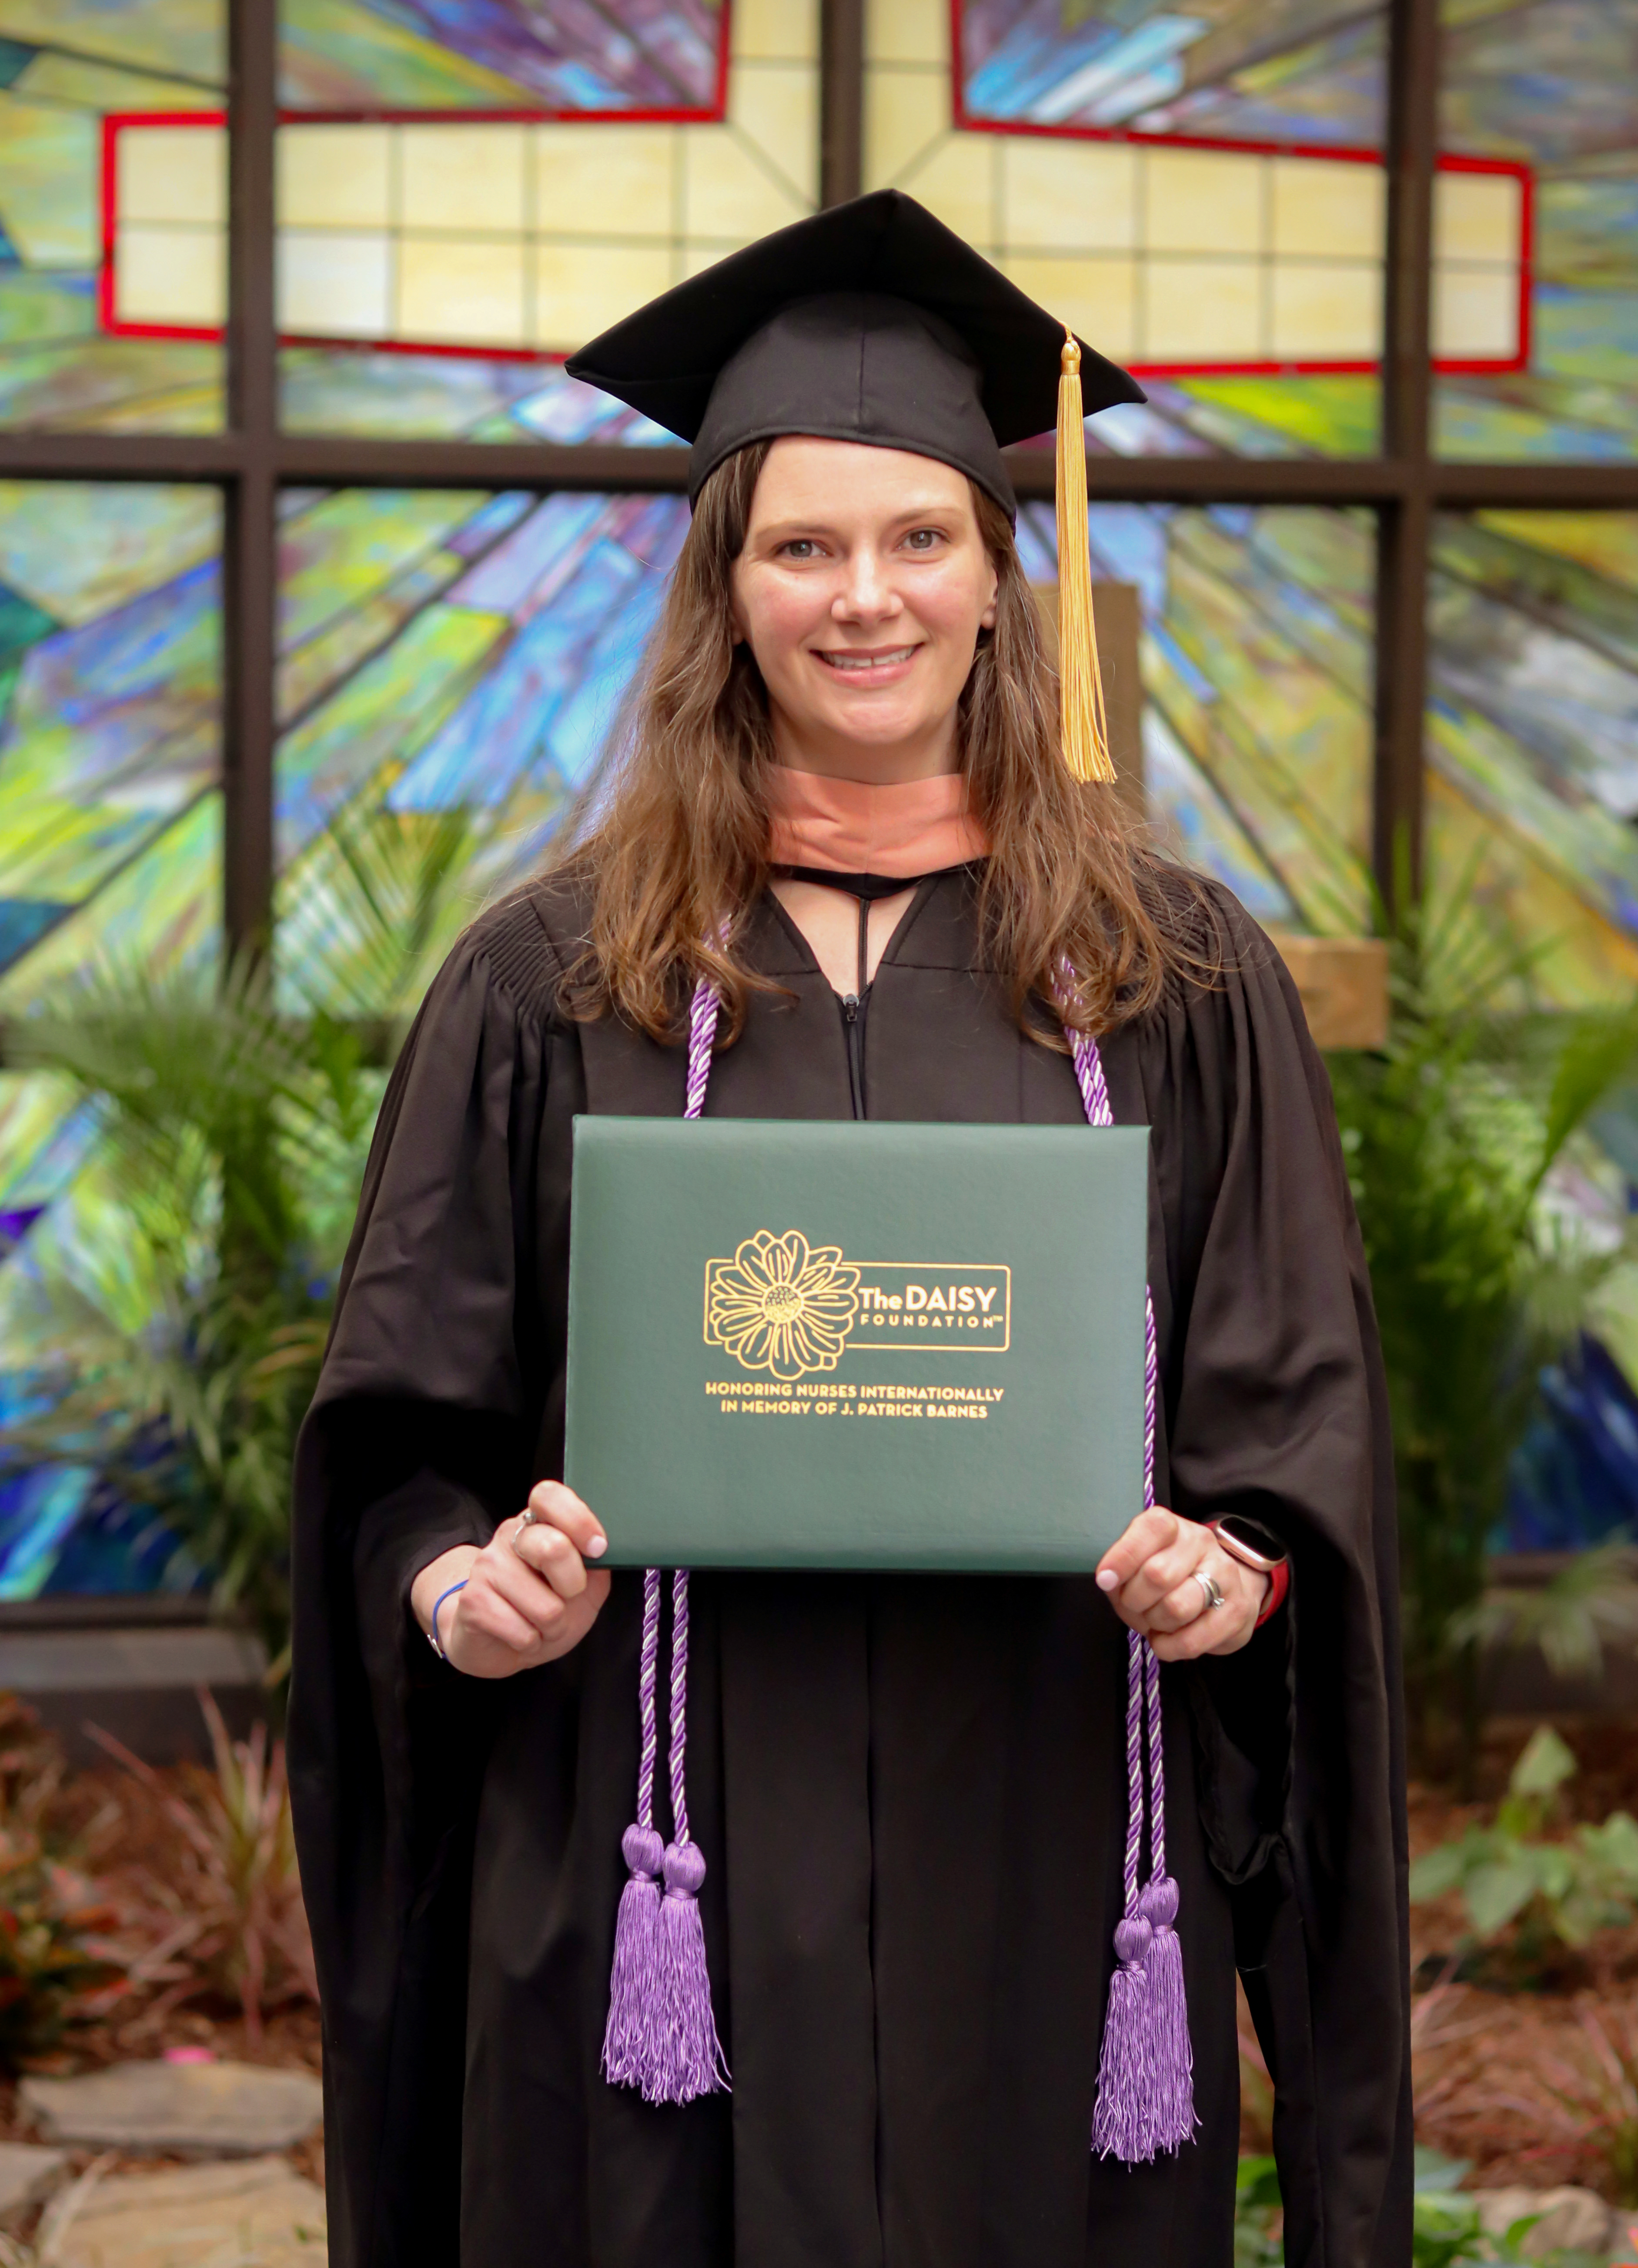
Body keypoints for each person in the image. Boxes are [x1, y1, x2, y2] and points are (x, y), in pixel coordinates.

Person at [290, 189, 1410, 2268]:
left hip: (1057, 1847)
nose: (863, 597)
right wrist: (462, 1587)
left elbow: (1292, 1434)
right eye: (802, 545)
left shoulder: (1171, 975)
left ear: (1002, 576)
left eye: (919, 538)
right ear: (727, 591)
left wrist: (1233, 1572)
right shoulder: (550, 978)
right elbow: (394, 1436)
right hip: (660, 1863)